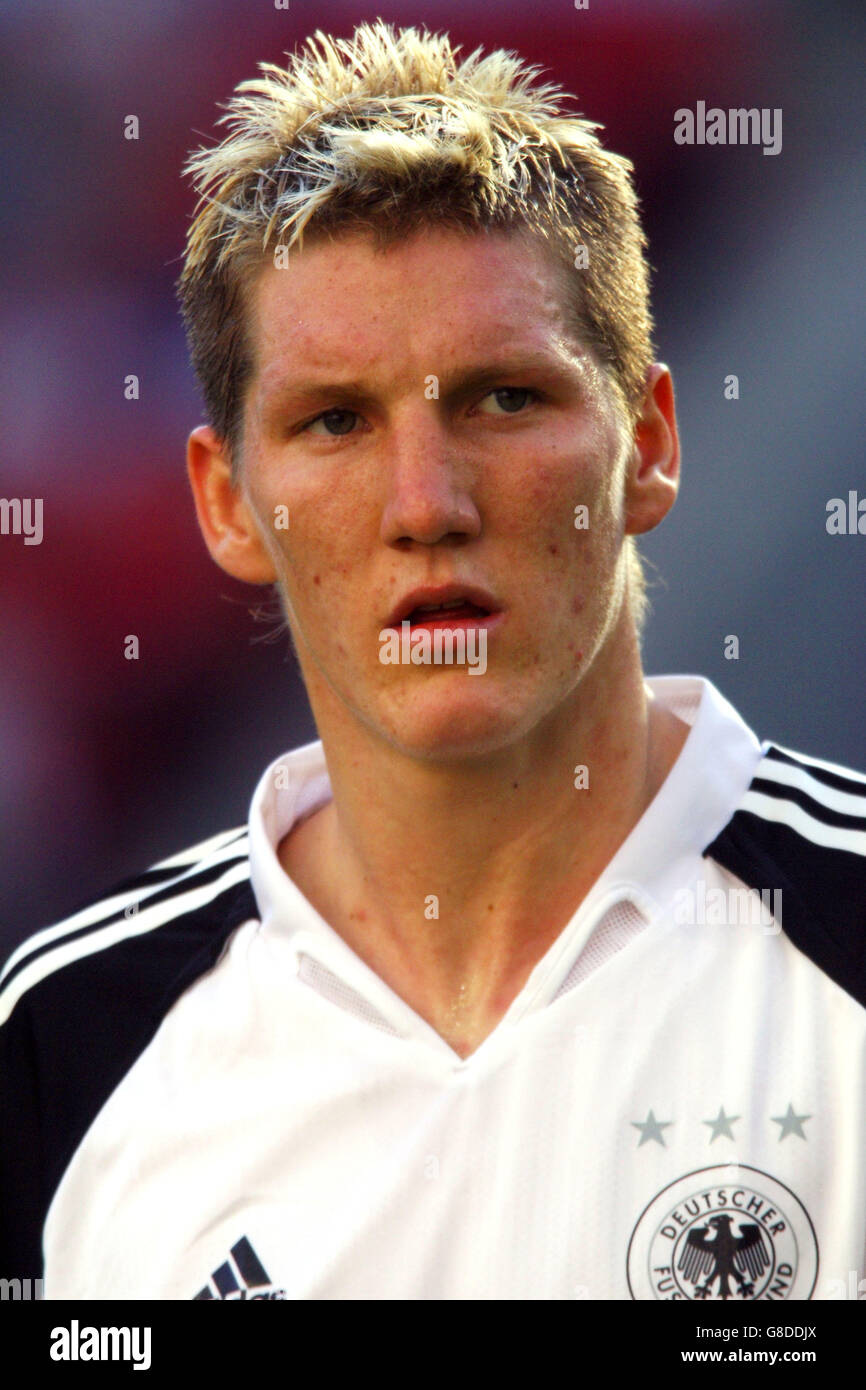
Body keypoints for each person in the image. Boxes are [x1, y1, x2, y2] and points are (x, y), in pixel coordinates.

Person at [2, 21, 864, 1303]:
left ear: (647, 442)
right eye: (334, 421)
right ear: (228, 504)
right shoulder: (66, 1042)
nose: (425, 501)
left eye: (503, 399)